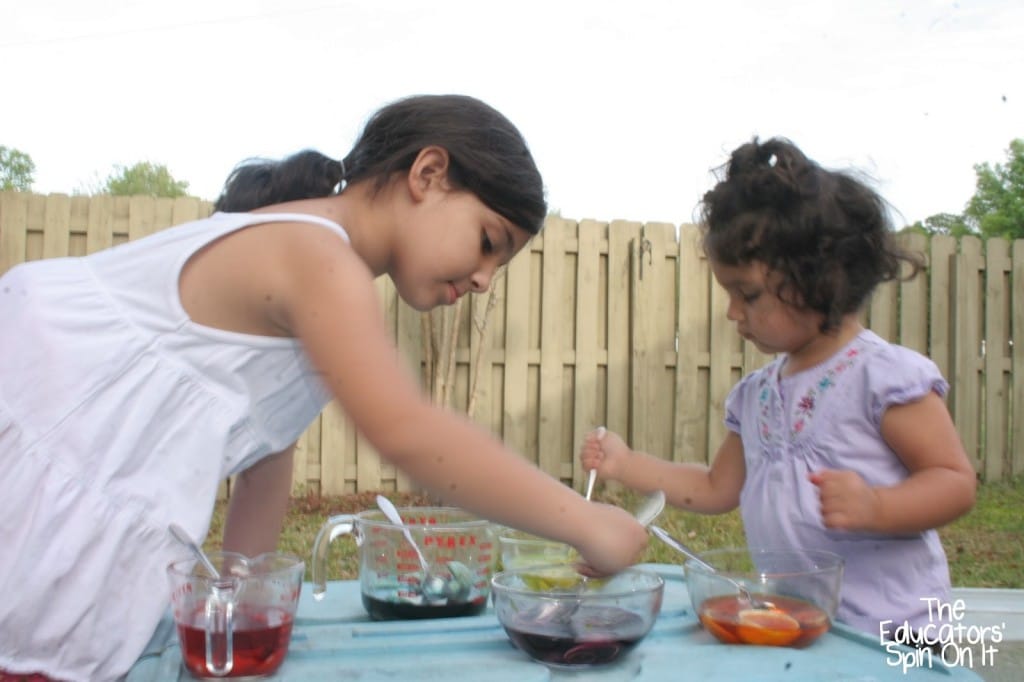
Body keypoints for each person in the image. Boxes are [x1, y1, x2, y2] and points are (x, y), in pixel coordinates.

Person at [0, 94, 648, 682]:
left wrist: (243, 603)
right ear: (428, 175)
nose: (484, 279)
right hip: (38, 453)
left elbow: (264, 459)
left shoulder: (329, 281)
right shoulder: (316, 255)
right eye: (487, 243)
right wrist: (584, 523)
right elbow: (409, 433)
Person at [579, 137, 976, 639]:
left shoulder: (884, 377)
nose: (731, 313)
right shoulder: (756, 396)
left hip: (894, 631)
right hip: (795, 621)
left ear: (821, 279)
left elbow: (954, 481)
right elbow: (714, 488)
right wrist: (626, 463)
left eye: (747, 294)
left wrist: (879, 508)